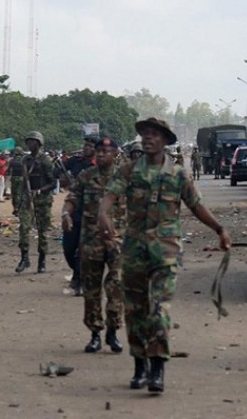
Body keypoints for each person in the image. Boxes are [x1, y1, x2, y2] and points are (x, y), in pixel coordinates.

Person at [98, 117, 231, 394]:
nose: (147, 138)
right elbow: (109, 197)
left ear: (165, 140)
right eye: (144, 134)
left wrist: (220, 229)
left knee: (159, 309)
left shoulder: (178, 174)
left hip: (165, 252)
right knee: (135, 310)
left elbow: (196, 206)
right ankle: (139, 364)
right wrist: (103, 214)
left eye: (153, 134)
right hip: (134, 250)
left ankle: (157, 366)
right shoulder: (128, 171)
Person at [63, 137, 125, 354]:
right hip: (90, 240)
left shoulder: (125, 177)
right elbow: (72, 197)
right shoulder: (86, 176)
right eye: (98, 151)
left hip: (117, 241)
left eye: (106, 151)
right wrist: (66, 213)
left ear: (116, 154)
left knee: (115, 286)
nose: (100, 154)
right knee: (91, 289)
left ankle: (113, 331)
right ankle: (95, 334)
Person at [61, 137, 97, 293]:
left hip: (91, 214)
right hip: (74, 211)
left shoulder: (98, 168)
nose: (87, 147)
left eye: (90, 145)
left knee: (83, 249)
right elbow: (58, 172)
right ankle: (77, 273)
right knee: (69, 248)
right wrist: (63, 178)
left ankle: (78, 278)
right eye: (85, 145)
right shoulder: (75, 162)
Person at [16, 131, 55, 274]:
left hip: (43, 200)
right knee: (23, 229)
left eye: (32, 141)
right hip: (27, 200)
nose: (30, 144)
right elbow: (22, 183)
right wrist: (19, 201)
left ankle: (42, 260)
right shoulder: (25, 161)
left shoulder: (45, 161)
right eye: (28, 141)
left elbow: (52, 182)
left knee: (43, 232)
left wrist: (39, 190)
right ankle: (24, 258)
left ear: (38, 143)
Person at [8, 147, 25, 213]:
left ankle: (15, 207)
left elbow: (8, 171)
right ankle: (18, 207)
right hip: (21, 178)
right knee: (19, 193)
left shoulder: (12, 161)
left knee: (14, 193)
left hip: (14, 178)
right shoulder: (24, 160)